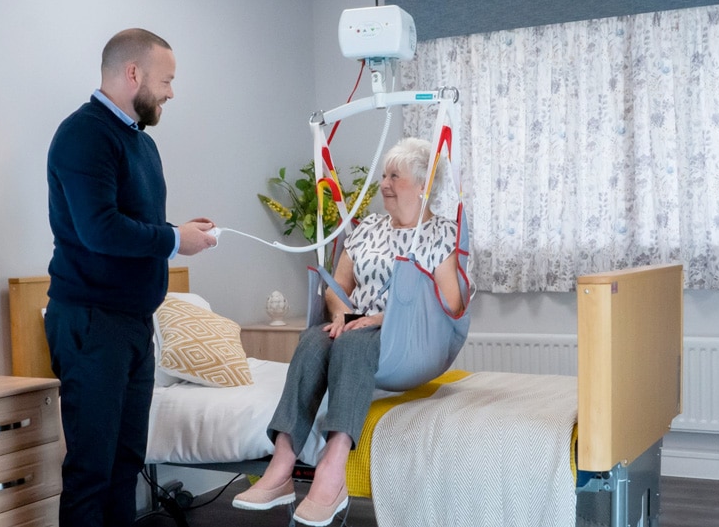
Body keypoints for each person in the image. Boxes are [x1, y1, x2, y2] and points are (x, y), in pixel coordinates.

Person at [232, 137, 464, 526]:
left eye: (395, 176)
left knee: (354, 342)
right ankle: (282, 463)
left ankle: (333, 469)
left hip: (410, 339)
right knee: (313, 338)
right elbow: (337, 288)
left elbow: (450, 306)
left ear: (423, 186)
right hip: (356, 324)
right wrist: (341, 314)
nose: (384, 184)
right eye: (384, 174)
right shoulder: (369, 227)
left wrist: (382, 319)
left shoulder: (441, 235)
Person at [44, 28, 217, 526]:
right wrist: (172, 240)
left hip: (134, 324)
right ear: (133, 73)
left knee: (125, 467)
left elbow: (129, 222)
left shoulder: (139, 143)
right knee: (91, 472)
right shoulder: (83, 135)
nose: (170, 93)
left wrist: (177, 232)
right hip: (94, 324)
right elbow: (98, 229)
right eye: (166, 80)